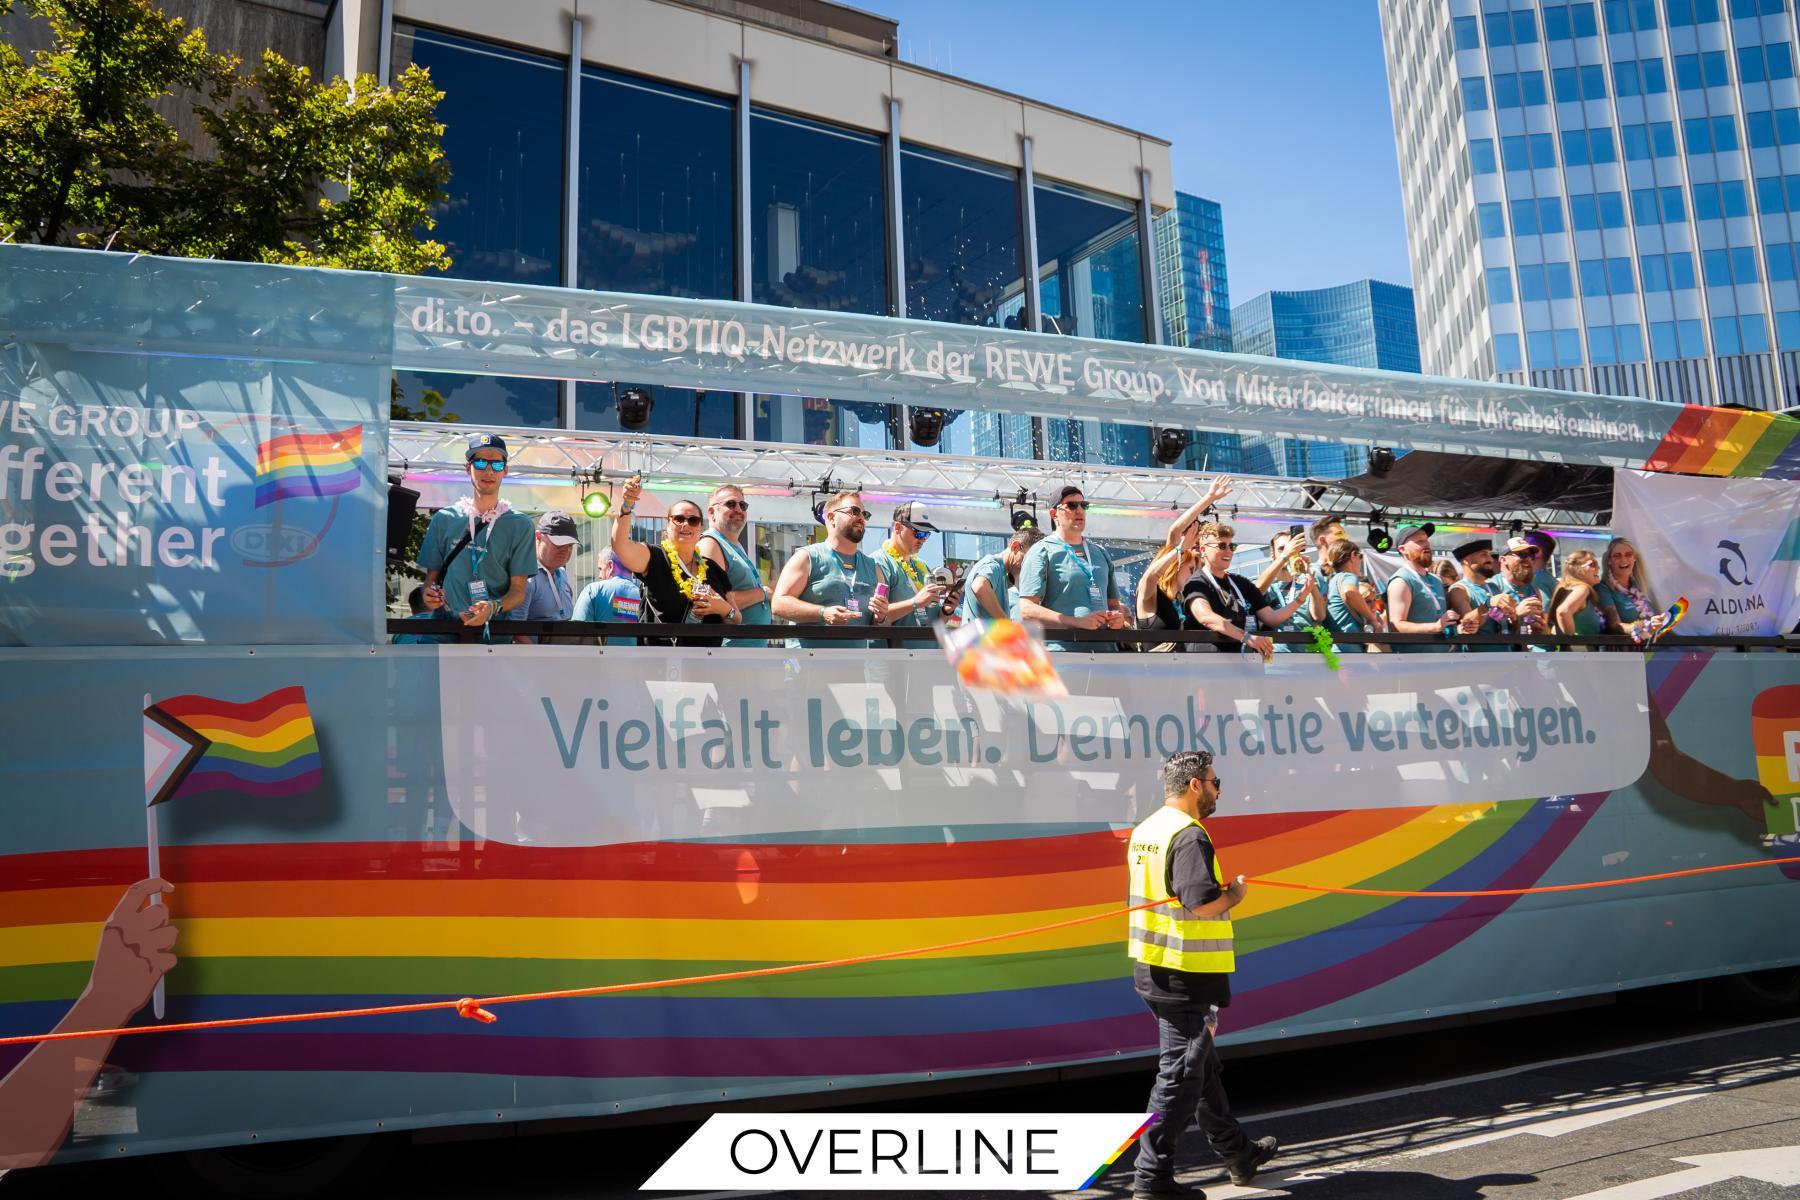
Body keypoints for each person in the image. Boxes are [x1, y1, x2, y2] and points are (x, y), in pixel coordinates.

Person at [1127, 751, 1279, 1197]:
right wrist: (1235, 894)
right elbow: (1200, 901)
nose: (1217, 790)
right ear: (1195, 785)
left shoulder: (1146, 829)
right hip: (1184, 971)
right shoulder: (1189, 836)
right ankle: (1151, 1179)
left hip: (1153, 967)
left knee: (1201, 1068)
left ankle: (1239, 1155)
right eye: (1215, 782)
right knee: (1180, 1075)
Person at [418, 432, 537, 639]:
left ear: (505, 471)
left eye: (497, 465)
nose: (489, 471)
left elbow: (518, 590)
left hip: (494, 635)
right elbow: (430, 581)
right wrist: (429, 595)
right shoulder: (444, 518)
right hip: (444, 632)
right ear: (468, 468)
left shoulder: (521, 525)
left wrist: (492, 607)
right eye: (480, 463)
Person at [611, 475, 741, 645]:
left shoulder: (713, 569)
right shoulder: (655, 557)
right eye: (679, 519)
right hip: (663, 663)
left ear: (701, 527)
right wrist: (627, 505)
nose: (685, 524)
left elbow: (736, 619)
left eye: (693, 520)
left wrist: (721, 607)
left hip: (707, 664)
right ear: (668, 524)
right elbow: (620, 546)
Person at [771, 490, 891, 648]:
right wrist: (823, 613)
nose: (861, 517)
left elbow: (881, 624)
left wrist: (881, 617)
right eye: (854, 511)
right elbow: (779, 604)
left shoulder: (873, 567)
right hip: (808, 665)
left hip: (854, 666)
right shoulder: (807, 557)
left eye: (865, 514)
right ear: (831, 517)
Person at [1018, 486, 1131, 651]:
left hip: (1105, 652)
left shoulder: (1100, 552)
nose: (1080, 510)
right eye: (1072, 505)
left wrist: (1117, 618)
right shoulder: (1042, 551)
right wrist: (1076, 622)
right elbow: (1026, 609)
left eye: (1083, 505)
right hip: (1063, 654)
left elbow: (1113, 603)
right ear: (1053, 513)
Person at [1181, 522, 1316, 658]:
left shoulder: (1241, 583)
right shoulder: (1196, 583)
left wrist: (1301, 597)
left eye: (1231, 546)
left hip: (1245, 663)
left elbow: (1272, 618)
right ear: (1203, 550)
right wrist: (1247, 637)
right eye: (1222, 546)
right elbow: (1206, 617)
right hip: (1209, 664)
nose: (1228, 551)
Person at [1136, 479, 1234, 646]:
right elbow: (1152, 574)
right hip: (1154, 670)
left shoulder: (1187, 599)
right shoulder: (1152, 594)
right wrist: (1209, 498)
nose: (1196, 574)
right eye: (1191, 569)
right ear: (1176, 566)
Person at [698, 483, 774, 648]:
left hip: (747, 652)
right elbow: (714, 601)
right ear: (712, 512)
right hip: (732, 653)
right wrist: (764, 593)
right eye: (731, 504)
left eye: (743, 505)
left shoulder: (732, 544)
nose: (739, 509)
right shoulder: (711, 544)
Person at [1384, 523, 1459, 652]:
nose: (1427, 544)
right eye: (1419, 541)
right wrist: (1435, 627)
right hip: (1413, 662)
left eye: (1427, 540)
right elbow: (1397, 625)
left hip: (1441, 658)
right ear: (1403, 549)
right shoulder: (1401, 581)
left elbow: (1440, 620)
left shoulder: (1436, 580)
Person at [878, 502, 948, 629]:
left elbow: (935, 621)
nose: (922, 539)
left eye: (927, 534)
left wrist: (946, 611)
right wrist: (915, 602)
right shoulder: (879, 562)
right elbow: (877, 618)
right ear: (897, 527)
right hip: (898, 647)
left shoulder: (923, 565)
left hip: (928, 647)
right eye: (919, 533)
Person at [513, 510, 580, 644]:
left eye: (570, 545)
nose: (566, 550)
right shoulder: (526, 578)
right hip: (537, 661)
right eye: (559, 544)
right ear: (538, 537)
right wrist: (540, 660)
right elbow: (514, 630)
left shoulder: (562, 574)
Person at [1257, 529, 1327, 653]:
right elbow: (1257, 591)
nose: (1288, 552)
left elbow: (1319, 616)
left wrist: (1309, 575)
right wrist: (1284, 557)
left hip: (1306, 658)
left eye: (1292, 548)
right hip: (1275, 661)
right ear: (1272, 555)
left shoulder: (1305, 584)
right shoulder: (1268, 586)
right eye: (1282, 548)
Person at [962, 526, 1044, 623]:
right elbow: (979, 586)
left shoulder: (1001, 572)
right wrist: (1005, 622)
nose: (1028, 566)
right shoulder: (993, 566)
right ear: (1015, 547)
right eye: (1028, 559)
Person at [1444, 539, 1508, 651]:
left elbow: (1507, 624)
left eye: (1489, 554)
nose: (1490, 559)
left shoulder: (1494, 587)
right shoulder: (1459, 590)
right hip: (1479, 661)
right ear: (1466, 560)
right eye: (1484, 554)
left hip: (1508, 657)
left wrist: (1515, 617)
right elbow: (1468, 622)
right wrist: (1487, 605)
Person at [1596, 536, 1664, 641]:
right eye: (1617, 556)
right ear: (1609, 560)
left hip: (1646, 652)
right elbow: (1615, 626)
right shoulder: (1602, 588)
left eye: (1628, 555)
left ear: (1634, 558)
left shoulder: (1639, 586)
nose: (1623, 560)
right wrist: (1645, 626)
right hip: (1620, 653)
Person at [1320, 539, 1381, 653]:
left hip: (1336, 646)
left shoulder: (1333, 579)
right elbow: (1350, 592)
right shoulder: (1348, 576)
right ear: (1353, 555)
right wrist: (1372, 619)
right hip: (1349, 648)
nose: (1360, 561)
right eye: (1360, 556)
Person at [571, 552, 643, 646]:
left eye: (600, 569)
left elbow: (576, 634)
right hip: (638, 660)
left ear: (610, 565)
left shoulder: (593, 591)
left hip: (600, 659)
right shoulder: (643, 596)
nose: (599, 575)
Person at [1492, 536, 1551, 647]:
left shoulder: (1533, 589)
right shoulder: (1493, 586)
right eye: (1522, 555)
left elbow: (1544, 631)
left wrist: (1541, 629)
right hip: (1502, 656)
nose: (1528, 559)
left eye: (1531, 556)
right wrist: (1517, 613)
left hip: (1527, 656)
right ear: (1503, 559)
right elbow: (1489, 626)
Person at [1551, 549, 1605, 643]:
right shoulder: (1582, 589)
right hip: (1582, 654)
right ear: (1579, 571)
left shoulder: (1566, 587)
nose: (1598, 568)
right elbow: (1563, 611)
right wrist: (1573, 642)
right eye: (1592, 564)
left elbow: (1554, 629)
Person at [1522, 529, 1558, 596]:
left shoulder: (1537, 580)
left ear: (1538, 552)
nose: (1520, 551)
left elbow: (1543, 606)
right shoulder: (1544, 577)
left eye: (1525, 548)